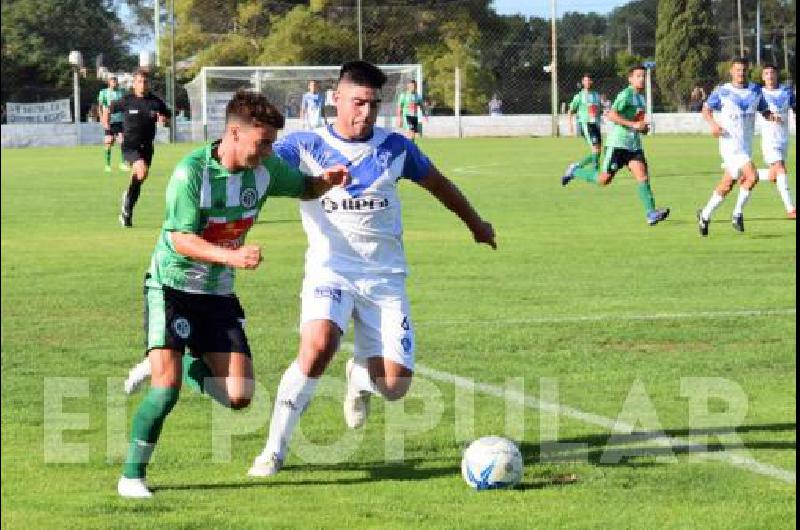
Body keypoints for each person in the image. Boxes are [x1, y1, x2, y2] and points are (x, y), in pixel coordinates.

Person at [247, 61, 496, 478]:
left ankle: (359, 375)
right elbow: (262, 163)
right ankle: (273, 450)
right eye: (358, 102)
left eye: (373, 104)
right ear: (336, 99)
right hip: (331, 270)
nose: (365, 112)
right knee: (318, 345)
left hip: (385, 279)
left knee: (395, 388)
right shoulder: (305, 146)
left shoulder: (395, 148)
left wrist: (475, 224)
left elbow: (440, 186)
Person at [116, 90, 349, 498]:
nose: (270, 150)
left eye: (272, 142)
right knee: (164, 389)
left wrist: (324, 182)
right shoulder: (192, 174)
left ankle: (182, 365)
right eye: (263, 142)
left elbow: (304, 187)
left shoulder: (266, 169)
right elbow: (181, 239)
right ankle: (131, 477)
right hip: (172, 286)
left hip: (217, 294)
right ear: (234, 134)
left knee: (241, 397)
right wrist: (233, 256)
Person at [561, 66, 670, 226]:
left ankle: (651, 213)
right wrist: (633, 125)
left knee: (642, 176)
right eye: (638, 76)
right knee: (604, 180)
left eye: (643, 76)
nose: (641, 79)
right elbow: (611, 115)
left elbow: (637, 122)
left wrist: (643, 128)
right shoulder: (625, 95)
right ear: (630, 79)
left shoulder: (641, 99)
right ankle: (575, 171)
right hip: (617, 144)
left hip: (633, 145)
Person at [696, 58, 780, 236]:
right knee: (753, 176)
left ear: (747, 71)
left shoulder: (756, 91)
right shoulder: (723, 91)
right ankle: (737, 214)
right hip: (729, 144)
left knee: (727, 184)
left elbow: (763, 110)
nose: (741, 73)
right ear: (731, 72)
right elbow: (706, 109)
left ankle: (705, 215)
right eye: (737, 70)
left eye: (743, 70)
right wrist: (713, 125)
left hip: (746, 145)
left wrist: (772, 116)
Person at [105, 68, 171, 227]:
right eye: (140, 81)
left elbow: (167, 118)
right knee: (142, 172)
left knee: (139, 179)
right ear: (134, 84)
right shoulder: (126, 100)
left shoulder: (156, 102)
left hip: (147, 146)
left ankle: (126, 211)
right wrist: (108, 131)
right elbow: (107, 111)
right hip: (130, 145)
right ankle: (127, 200)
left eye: (145, 81)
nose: (143, 84)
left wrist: (164, 121)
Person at [755, 64, 796, 219]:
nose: (770, 76)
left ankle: (747, 173)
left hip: (784, 140)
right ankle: (791, 209)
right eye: (766, 73)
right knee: (781, 170)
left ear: (777, 75)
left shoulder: (786, 91)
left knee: (774, 175)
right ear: (762, 77)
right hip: (769, 141)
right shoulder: (759, 93)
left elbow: (795, 107)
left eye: (772, 73)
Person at [566, 73, 603, 172]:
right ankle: (595, 171)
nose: (587, 82)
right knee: (595, 149)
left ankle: (576, 166)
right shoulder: (579, 96)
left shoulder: (596, 95)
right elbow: (570, 110)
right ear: (583, 82)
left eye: (589, 80)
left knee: (598, 151)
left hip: (595, 125)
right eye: (585, 80)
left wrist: (601, 113)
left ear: (592, 82)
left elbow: (600, 109)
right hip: (586, 124)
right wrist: (570, 126)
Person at [98, 75, 127, 173]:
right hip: (109, 120)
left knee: (122, 141)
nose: (114, 83)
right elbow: (100, 106)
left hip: (120, 120)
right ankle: (107, 165)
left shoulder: (121, 92)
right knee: (109, 142)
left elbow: (125, 105)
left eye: (115, 81)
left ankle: (123, 163)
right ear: (109, 83)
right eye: (112, 82)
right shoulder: (104, 92)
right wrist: (102, 119)